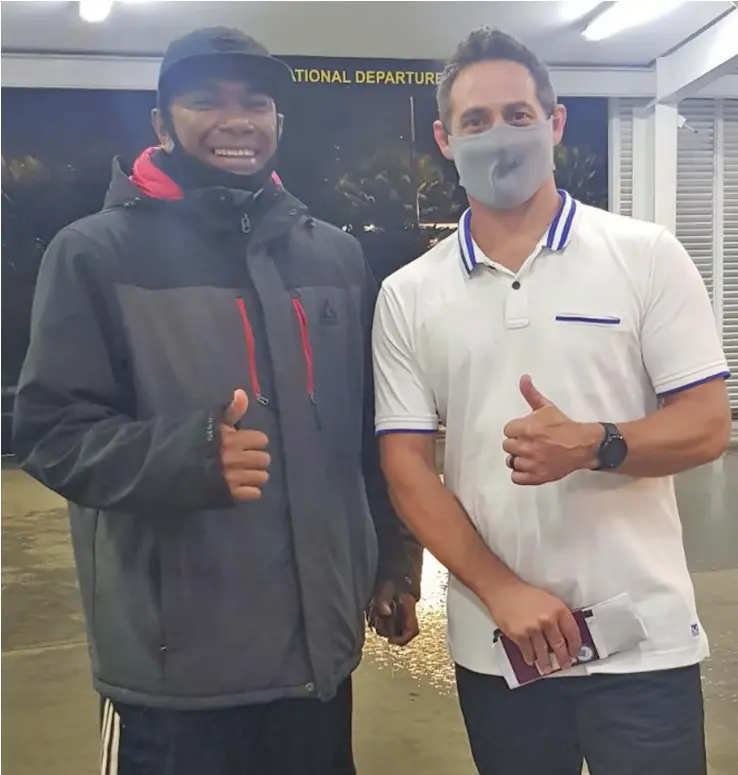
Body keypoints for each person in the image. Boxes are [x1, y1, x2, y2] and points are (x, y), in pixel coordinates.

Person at [13, 27, 421, 775]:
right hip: (177, 680)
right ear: (162, 125)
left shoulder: (332, 255)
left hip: (317, 661)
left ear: (279, 124)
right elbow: (49, 431)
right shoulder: (95, 254)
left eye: (255, 103)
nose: (236, 120)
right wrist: (187, 456)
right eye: (206, 100)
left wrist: (394, 559)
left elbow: (370, 429)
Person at [372, 27, 731, 775]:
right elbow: (406, 466)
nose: (499, 134)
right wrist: (500, 590)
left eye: (518, 114)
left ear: (555, 122)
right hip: (499, 644)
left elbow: (706, 426)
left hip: (644, 643)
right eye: (475, 121)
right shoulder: (408, 295)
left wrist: (598, 442)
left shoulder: (644, 255)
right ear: (444, 138)